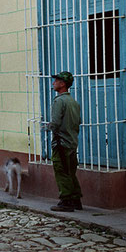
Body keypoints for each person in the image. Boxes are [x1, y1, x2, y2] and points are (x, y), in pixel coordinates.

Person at [47, 71, 82, 212]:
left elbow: (55, 123)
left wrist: (47, 127)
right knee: (70, 171)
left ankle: (66, 201)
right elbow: (78, 122)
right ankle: (76, 200)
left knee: (61, 171)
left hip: (61, 143)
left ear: (62, 84)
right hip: (72, 142)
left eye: (56, 81)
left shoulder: (59, 101)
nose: (53, 83)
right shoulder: (73, 102)